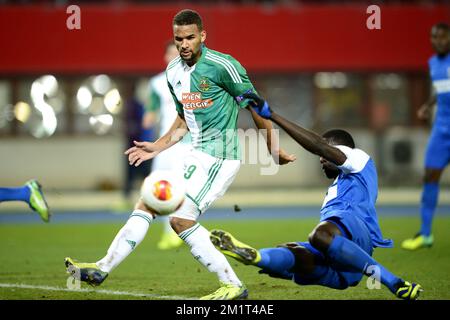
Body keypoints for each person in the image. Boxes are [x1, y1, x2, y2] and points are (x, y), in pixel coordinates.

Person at [64, 9, 295, 300]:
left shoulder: (223, 66)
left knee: (179, 220)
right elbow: (182, 120)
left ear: (202, 36)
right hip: (195, 154)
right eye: (178, 39)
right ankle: (102, 267)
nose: (184, 44)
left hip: (220, 157)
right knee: (148, 201)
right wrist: (156, 147)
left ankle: (233, 285)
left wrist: (274, 149)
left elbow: (257, 108)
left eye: (190, 37)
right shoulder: (173, 72)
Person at [209, 93, 422, 300]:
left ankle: (394, 282)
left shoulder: (359, 160)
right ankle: (257, 257)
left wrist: (272, 115)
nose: (321, 158)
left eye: (326, 153)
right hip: (345, 272)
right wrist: (284, 269)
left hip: (357, 237)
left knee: (319, 236)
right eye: (322, 154)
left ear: (341, 149)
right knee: (292, 251)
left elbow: (319, 145)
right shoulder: (335, 189)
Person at [402, 23, 450, 251]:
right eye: (434, 37)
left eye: (442, 37)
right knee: (429, 177)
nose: (437, 41)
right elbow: (442, 90)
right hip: (441, 131)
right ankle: (425, 234)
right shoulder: (433, 63)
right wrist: (427, 105)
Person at [145, 41, 190, 250]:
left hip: (186, 143)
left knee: (181, 188)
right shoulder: (156, 83)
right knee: (160, 188)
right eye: (171, 52)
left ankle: (179, 231)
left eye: (177, 52)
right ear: (164, 57)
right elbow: (151, 112)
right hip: (164, 144)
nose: (174, 56)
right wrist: (147, 119)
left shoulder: (192, 78)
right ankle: (168, 232)